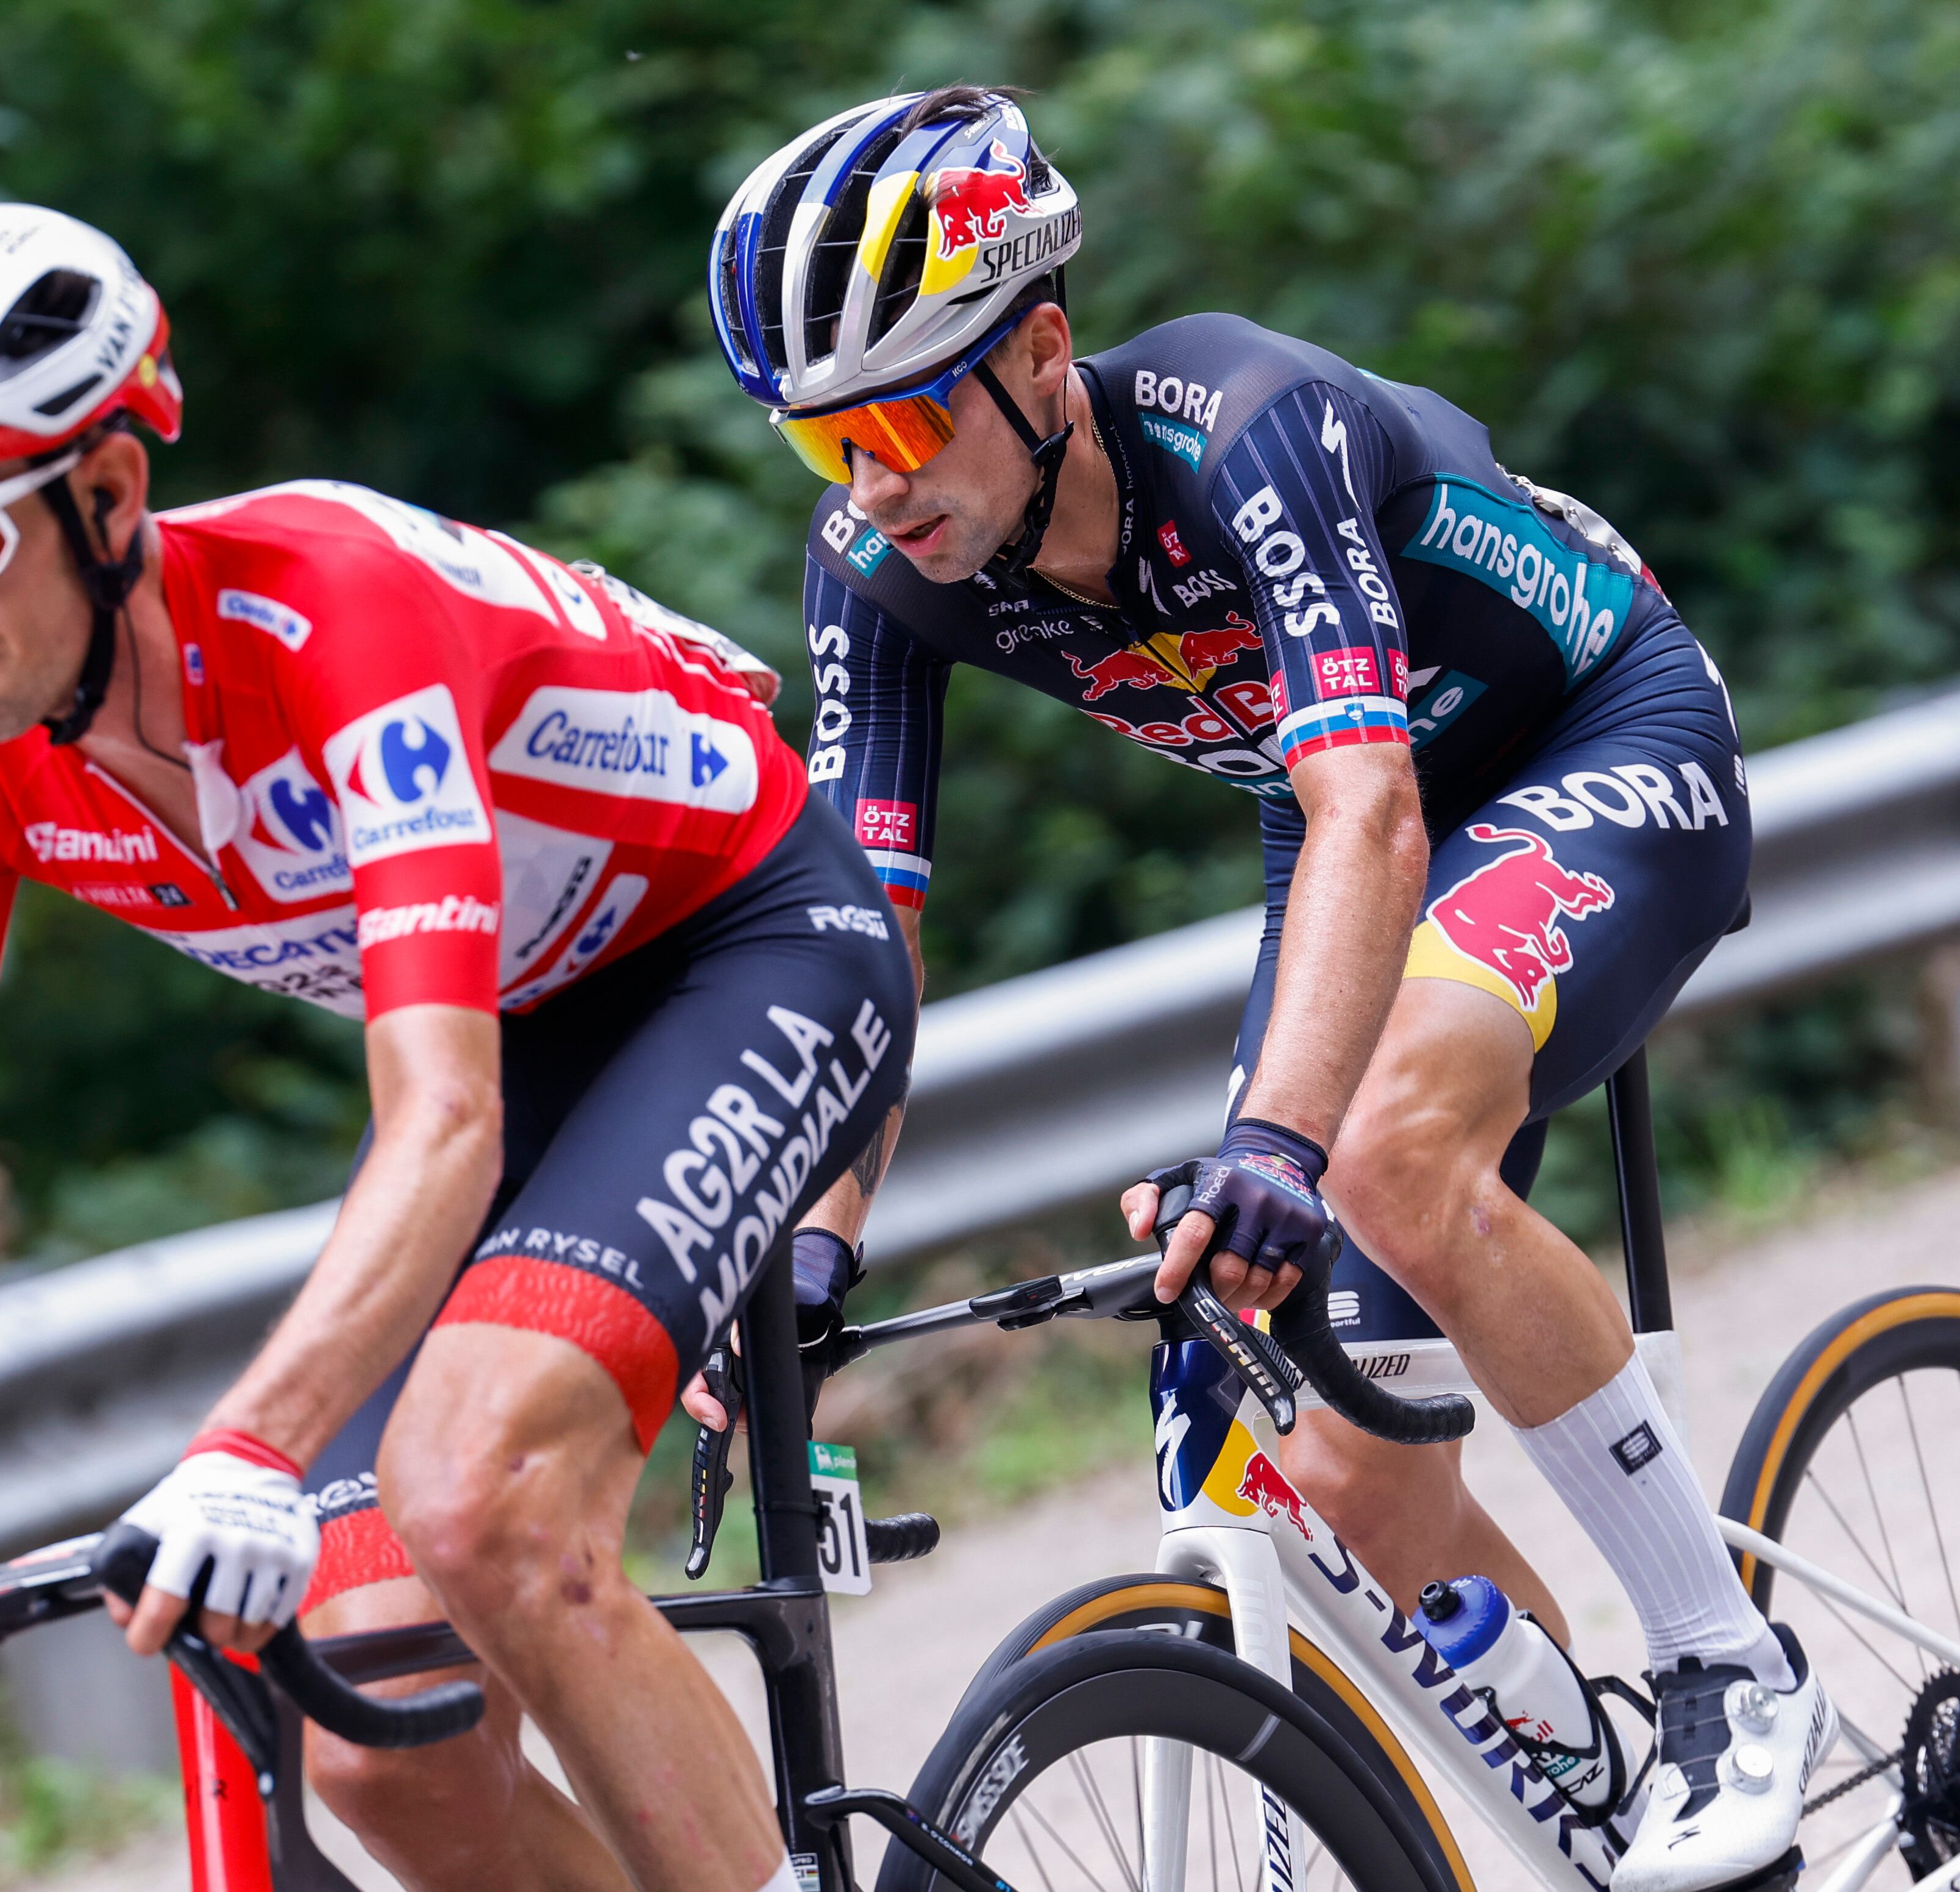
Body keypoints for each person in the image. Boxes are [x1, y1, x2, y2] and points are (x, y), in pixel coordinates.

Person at [0, 202, 912, 1892]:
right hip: (522, 1036)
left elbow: (438, 1118)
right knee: (378, 1732)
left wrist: (248, 1447)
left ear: (110, 497)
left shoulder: (330, 609)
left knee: (487, 1497)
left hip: (745, 953)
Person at [708, 88, 1825, 1891]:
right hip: (1350, 826)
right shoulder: (882, 574)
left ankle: (1724, 1661)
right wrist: (803, 1242)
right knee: (1305, 1434)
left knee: (1376, 1158)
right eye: (819, 445)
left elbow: (1368, 796)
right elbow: (859, 939)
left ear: (1041, 353)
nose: (873, 483)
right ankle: (1619, 1829)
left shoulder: (1242, 420)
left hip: (1582, 734)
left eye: (904, 417)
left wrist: (1279, 1144)